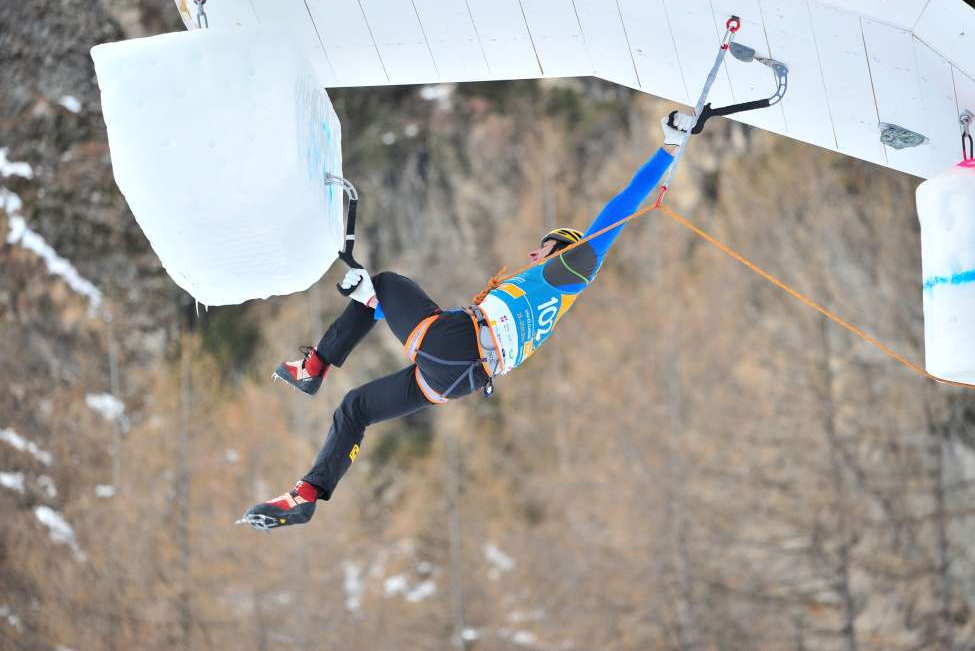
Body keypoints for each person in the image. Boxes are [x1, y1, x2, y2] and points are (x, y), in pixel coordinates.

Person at [240, 111, 695, 530]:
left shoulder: (569, 270)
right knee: (356, 407)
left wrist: (669, 149)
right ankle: (305, 496)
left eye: (544, 245)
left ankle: (315, 367)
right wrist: (370, 303)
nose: (534, 253)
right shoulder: (533, 293)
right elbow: (416, 329)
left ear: (564, 249)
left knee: (388, 280)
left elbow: (621, 206)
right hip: (457, 377)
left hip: (462, 347)